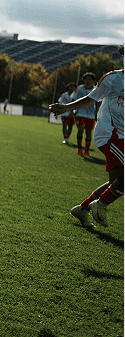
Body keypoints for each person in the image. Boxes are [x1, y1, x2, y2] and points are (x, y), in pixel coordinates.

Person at [49, 46, 124, 231]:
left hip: (121, 136)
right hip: (110, 133)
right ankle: (101, 204)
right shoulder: (113, 78)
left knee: (116, 182)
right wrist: (66, 108)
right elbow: (92, 98)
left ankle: (82, 209)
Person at [71, 73, 98, 156]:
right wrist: (72, 110)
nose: (87, 81)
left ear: (93, 81)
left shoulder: (96, 89)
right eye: (86, 79)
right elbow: (73, 99)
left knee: (89, 133)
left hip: (91, 115)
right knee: (80, 130)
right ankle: (79, 148)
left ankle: (87, 150)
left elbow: (98, 102)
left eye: (89, 79)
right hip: (80, 113)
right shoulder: (79, 89)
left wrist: (97, 112)